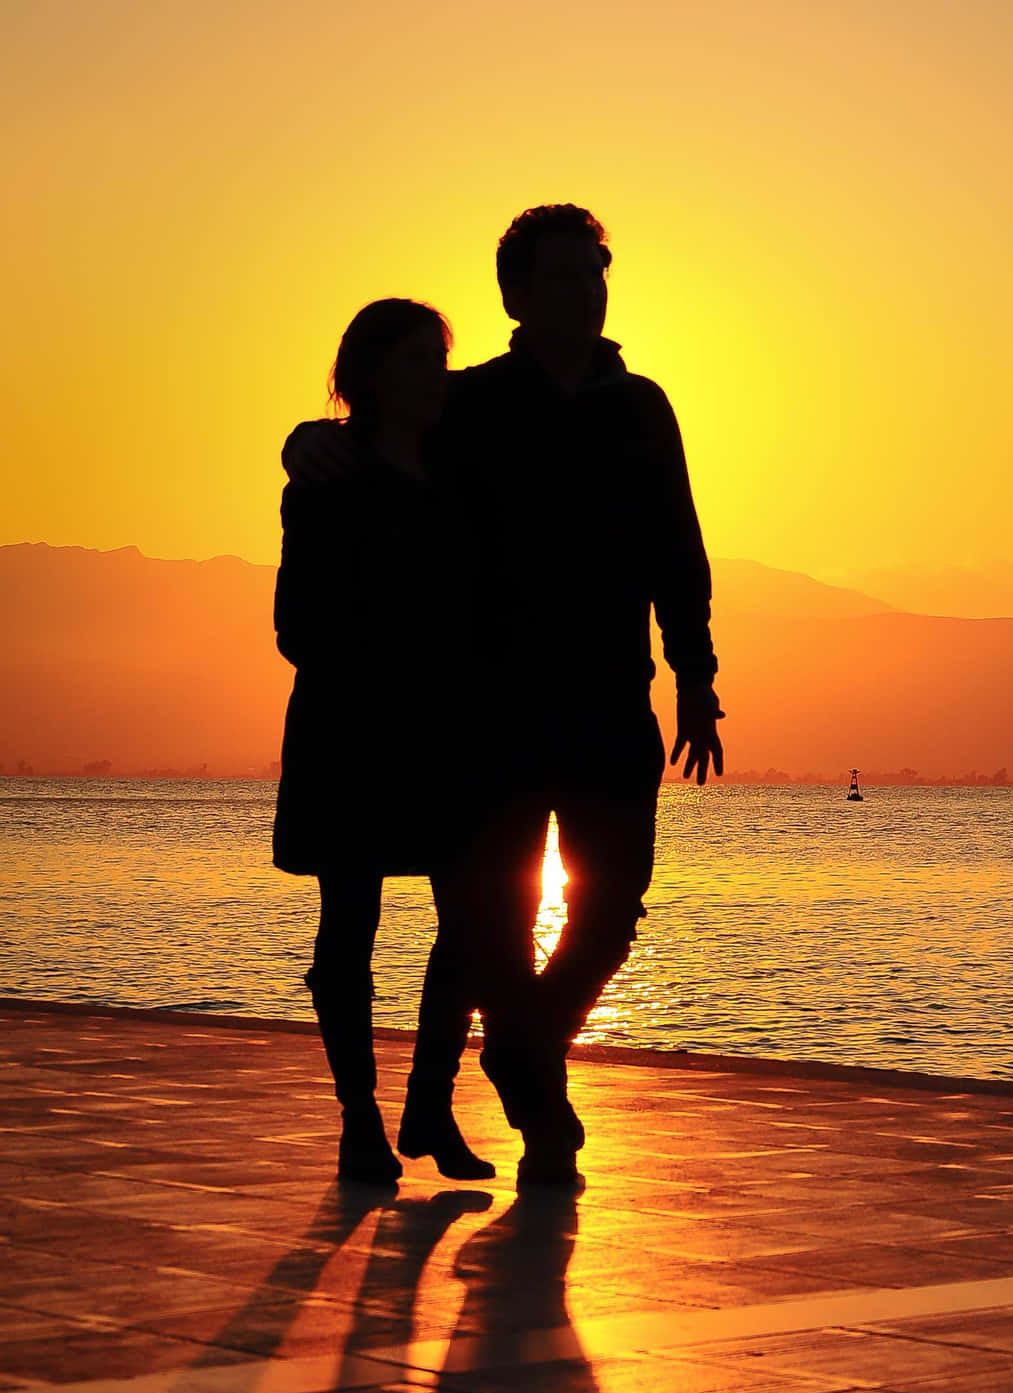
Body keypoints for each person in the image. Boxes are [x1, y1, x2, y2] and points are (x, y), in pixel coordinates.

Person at [284, 205, 724, 1186]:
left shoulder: (642, 407)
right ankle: (539, 1111)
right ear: (516, 295)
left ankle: (525, 1047)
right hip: (495, 713)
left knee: (612, 910)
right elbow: (374, 439)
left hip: (616, 700)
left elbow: (677, 551)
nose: (586, 287)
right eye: (563, 275)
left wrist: (698, 678)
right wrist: (299, 439)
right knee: (495, 918)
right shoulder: (471, 405)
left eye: (595, 270)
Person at [273, 297, 499, 1186]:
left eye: (437, 358)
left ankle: (430, 1102)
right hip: (350, 727)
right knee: (348, 928)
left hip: (448, 731)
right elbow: (296, 623)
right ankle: (358, 1117)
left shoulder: (459, 468)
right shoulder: (327, 477)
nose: (432, 376)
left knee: (474, 918)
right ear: (368, 376)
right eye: (412, 361)